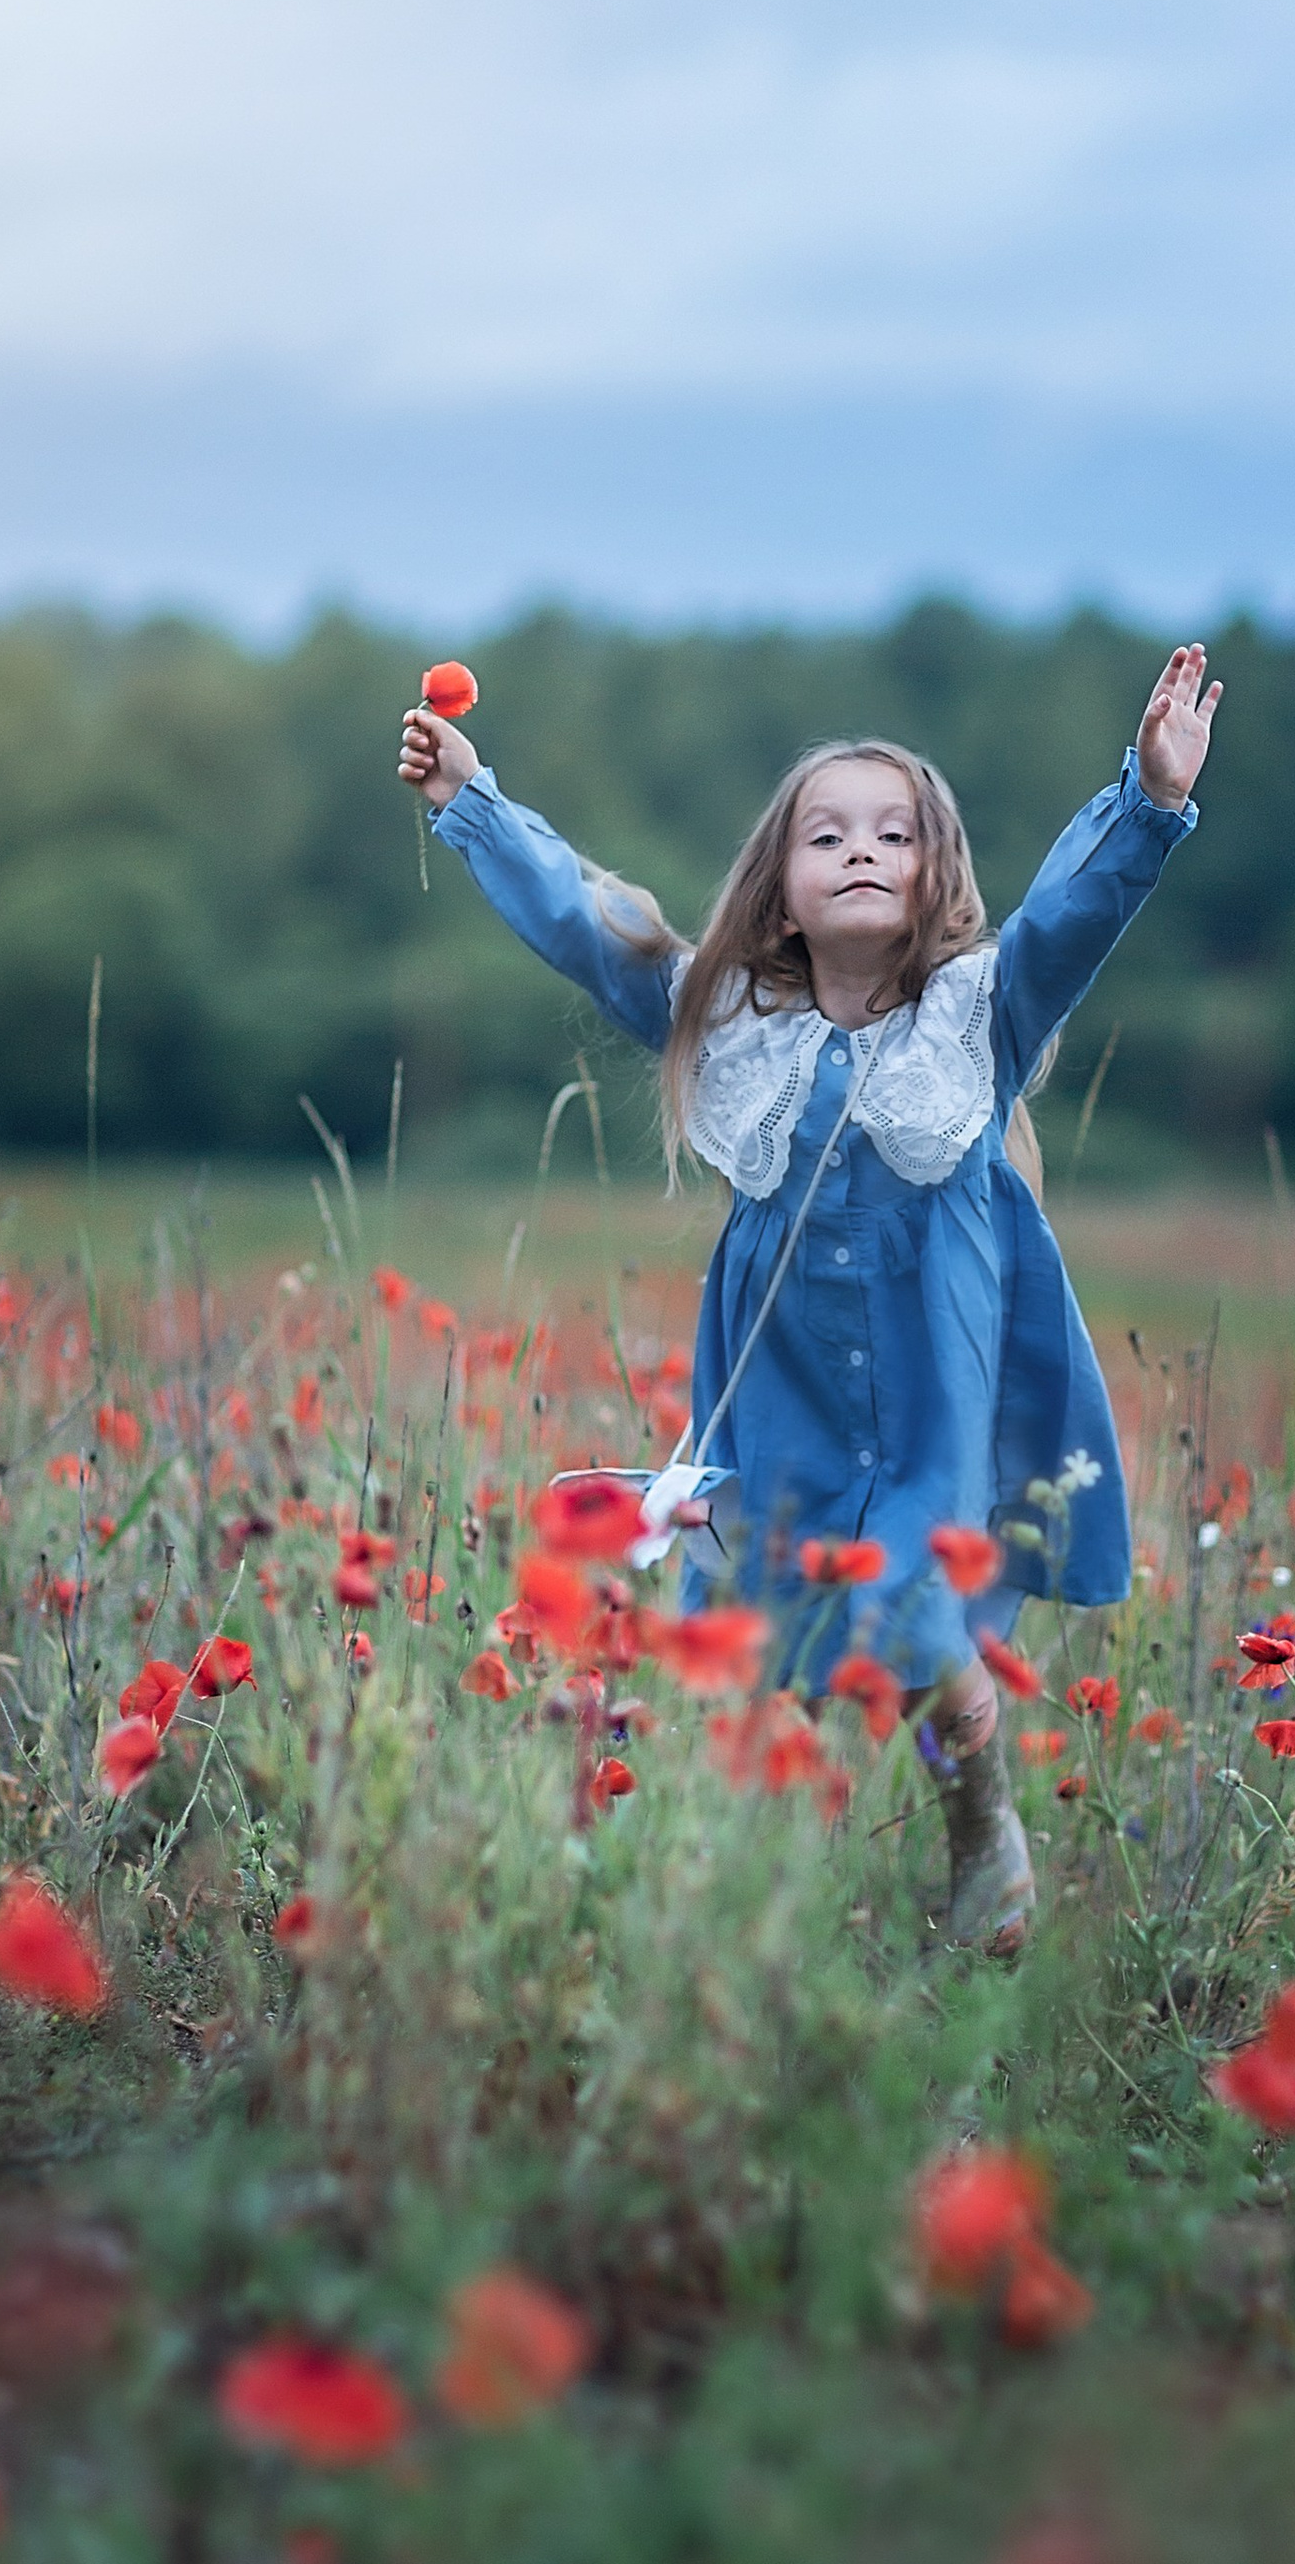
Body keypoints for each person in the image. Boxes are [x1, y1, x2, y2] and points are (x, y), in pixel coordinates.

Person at [396, 646, 1219, 1949]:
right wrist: (477, 802)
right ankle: (766, 1907)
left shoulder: (977, 1019)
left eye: (894, 833)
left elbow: (1072, 916)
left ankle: (981, 1826)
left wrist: (1149, 798)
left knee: (909, 1600)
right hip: (780, 1408)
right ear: (781, 886)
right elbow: (589, 926)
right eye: (827, 834)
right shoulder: (726, 1025)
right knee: (768, 1641)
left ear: (935, 872)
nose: (860, 851)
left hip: (940, 1402)